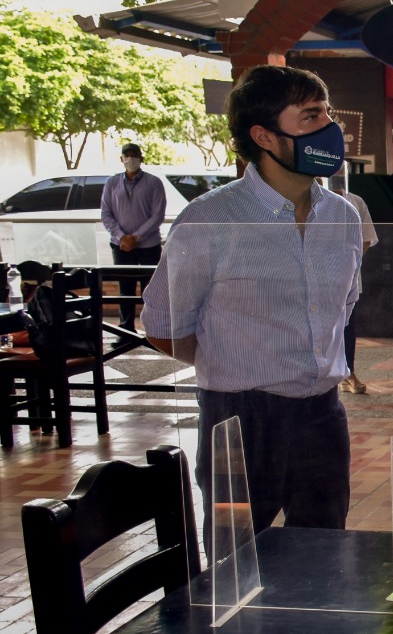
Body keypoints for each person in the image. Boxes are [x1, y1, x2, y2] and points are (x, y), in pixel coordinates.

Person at [141, 65, 361, 554]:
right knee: (235, 566)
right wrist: (231, 360)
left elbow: (343, 308)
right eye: (310, 116)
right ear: (263, 135)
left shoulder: (344, 215)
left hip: (323, 417)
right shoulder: (209, 219)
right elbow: (163, 325)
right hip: (238, 420)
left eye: (327, 113)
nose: (329, 127)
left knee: (324, 562)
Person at [101, 143, 166, 333]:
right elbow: (106, 214)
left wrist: (136, 237)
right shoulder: (111, 183)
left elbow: (157, 215)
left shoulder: (153, 183)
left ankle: (152, 330)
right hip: (121, 246)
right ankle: (126, 328)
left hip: (148, 245)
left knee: (151, 288)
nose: (130, 159)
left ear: (141, 158)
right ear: (121, 159)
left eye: (134, 155)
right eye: (126, 155)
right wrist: (122, 237)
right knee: (125, 288)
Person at [328, 163, 378, 393]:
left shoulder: (355, 202)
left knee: (347, 324)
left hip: (348, 275)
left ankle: (348, 372)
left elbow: (366, 238)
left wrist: (349, 261)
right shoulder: (309, 200)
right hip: (319, 277)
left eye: (339, 171)